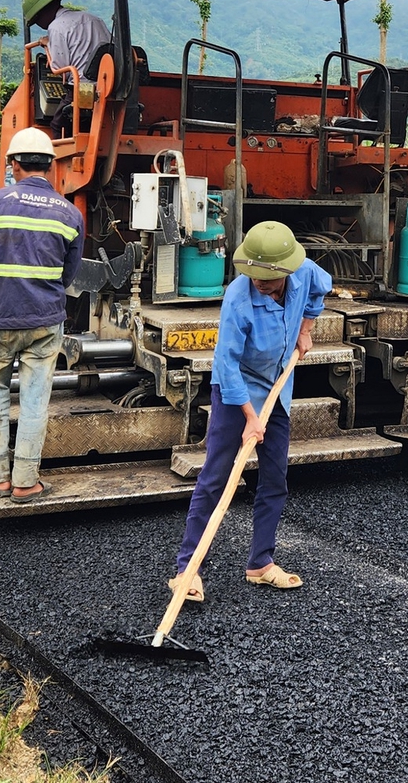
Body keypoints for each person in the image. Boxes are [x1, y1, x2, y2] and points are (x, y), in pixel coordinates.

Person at [171, 221, 330, 601]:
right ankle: (187, 570)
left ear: (287, 271)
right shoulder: (238, 299)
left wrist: (306, 328)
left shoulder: (305, 272)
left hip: (278, 388)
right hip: (235, 390)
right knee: (216, 477)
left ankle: (261, 563)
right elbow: (225, 365)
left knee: (274, 478)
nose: (259, 282)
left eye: (268, 278)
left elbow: (321, 288)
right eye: (254, 275)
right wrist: (249, 417)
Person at [0, 127, 87, 504]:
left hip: (0, 317)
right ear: (51, 166)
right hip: (46, 320)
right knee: (36, 398)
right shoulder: (70, 214)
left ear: (13, 164)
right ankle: (26, 481)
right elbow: (68, 275)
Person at [23, 0, 113, 80]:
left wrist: (48, 45)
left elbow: (62, 71)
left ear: (42, 13)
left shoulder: (56, 27)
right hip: (108, 83)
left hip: (80, 86)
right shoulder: (94, 19)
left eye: (36, 20)